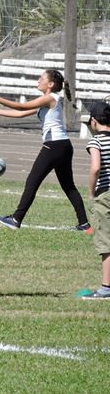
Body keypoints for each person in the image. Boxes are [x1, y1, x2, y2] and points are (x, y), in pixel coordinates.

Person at [0, 69, 91, 232]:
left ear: (50, 84)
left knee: (32, 181)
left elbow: (21, 105)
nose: (38, 80)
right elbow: (21, 113)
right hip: (63, 146)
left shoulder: (49, 98)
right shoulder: (48, 100)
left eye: (41, 78)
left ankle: (16, 219)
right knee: (68, 186)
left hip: (53, 146)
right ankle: (84, 224)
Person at [81, 100, 110, 299]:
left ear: (93, 121)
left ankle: (106, 287)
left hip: (105, 194)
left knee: (106, 242)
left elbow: (95, 168)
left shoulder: (96, 141)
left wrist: (91, 192)